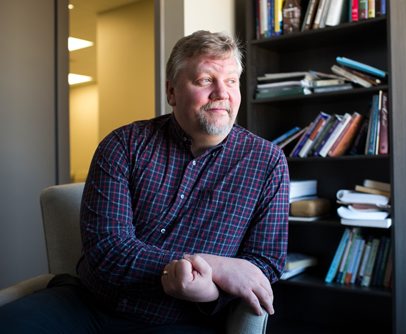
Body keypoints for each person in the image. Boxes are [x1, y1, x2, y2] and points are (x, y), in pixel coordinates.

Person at [0, 30, 289, 333]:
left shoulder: (268, 163)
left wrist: (209, 292)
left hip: (185, 318)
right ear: (172, 92)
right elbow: (108, 251)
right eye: (205, 80)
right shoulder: (123, 145)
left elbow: (264, 261)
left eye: (231, 81)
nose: (222, 92)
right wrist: (210, 266)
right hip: (90, 304)